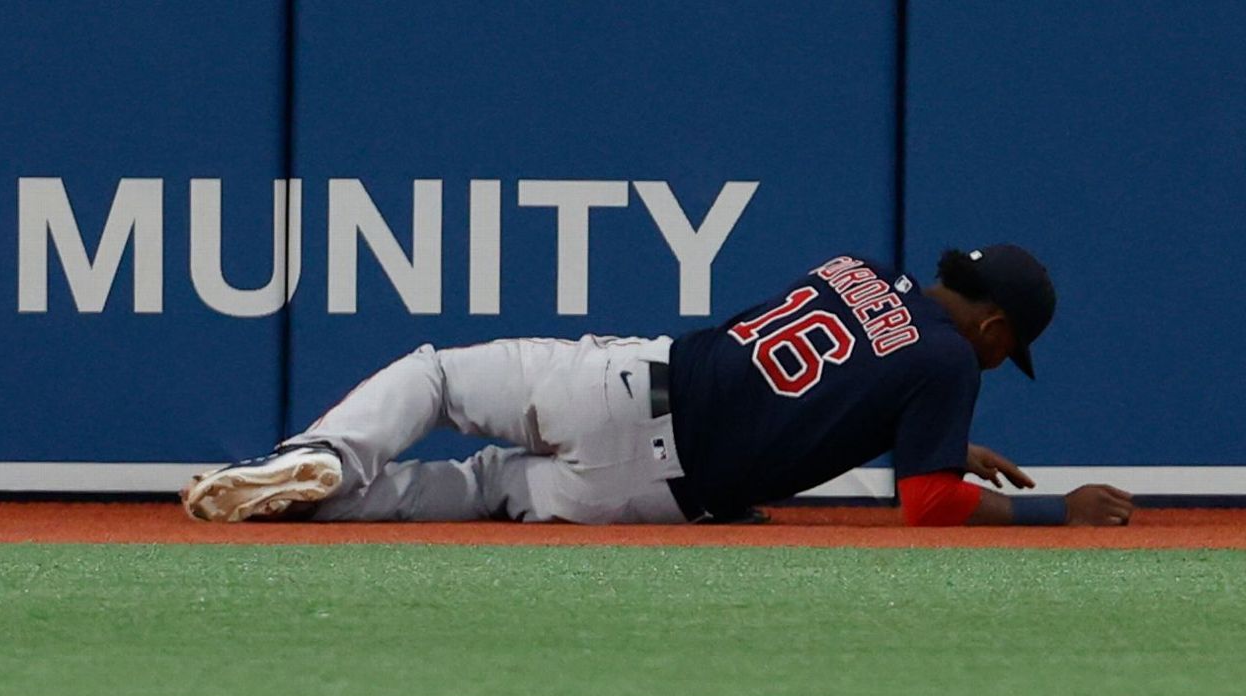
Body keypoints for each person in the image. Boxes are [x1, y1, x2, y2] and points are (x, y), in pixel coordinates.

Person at [181, 245, 1134, 527]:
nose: (996, 364)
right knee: (477, 489)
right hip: (655, 493)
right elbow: (926, 506)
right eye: (1007, 351)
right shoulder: (945, 362)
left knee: (434, 379)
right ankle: (314, 504)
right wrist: (1062, 509)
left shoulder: (856, 272)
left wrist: (938, 437)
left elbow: (839, 376)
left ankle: (315, 460)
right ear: (996, 329)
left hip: (630, 386)